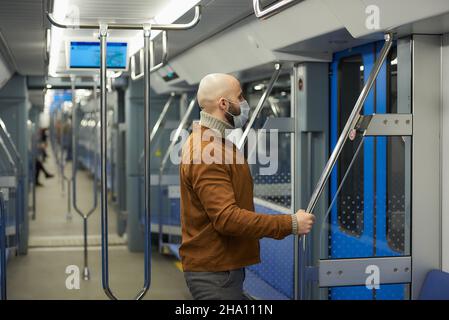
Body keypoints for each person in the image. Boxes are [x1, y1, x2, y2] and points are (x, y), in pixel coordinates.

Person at [179, 73, 316, 300]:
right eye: (240, 97)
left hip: (220, 268)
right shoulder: (208, 152)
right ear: (224, 103)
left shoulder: (215, 142)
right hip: (215, 272)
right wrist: (290, 223)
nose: (244, 103)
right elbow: (227, 218)